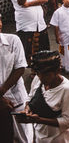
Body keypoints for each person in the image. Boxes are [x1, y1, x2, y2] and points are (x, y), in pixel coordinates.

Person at [16, 50, 69, 142]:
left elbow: (68, 121)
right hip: (40, 136)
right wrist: (27, 110)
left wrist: (38, 120)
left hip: (59, 139)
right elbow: (30, 97)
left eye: (46, 75)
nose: (41, 78)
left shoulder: (68, 90)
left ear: (58, 71)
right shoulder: (38, 79)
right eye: (38, 74)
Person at [0, 14, 34, 143]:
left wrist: (2, 92)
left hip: (16, 98)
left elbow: (20, 68)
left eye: (0, 19)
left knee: (25, 137)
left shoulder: (13, 40)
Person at [10, 0, 49, 64]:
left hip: (40, 25)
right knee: (28, 53)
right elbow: (21, 1)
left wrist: (29, 4)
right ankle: (33, 71)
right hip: (26, 26)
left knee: (43, 50)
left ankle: (43, 70)